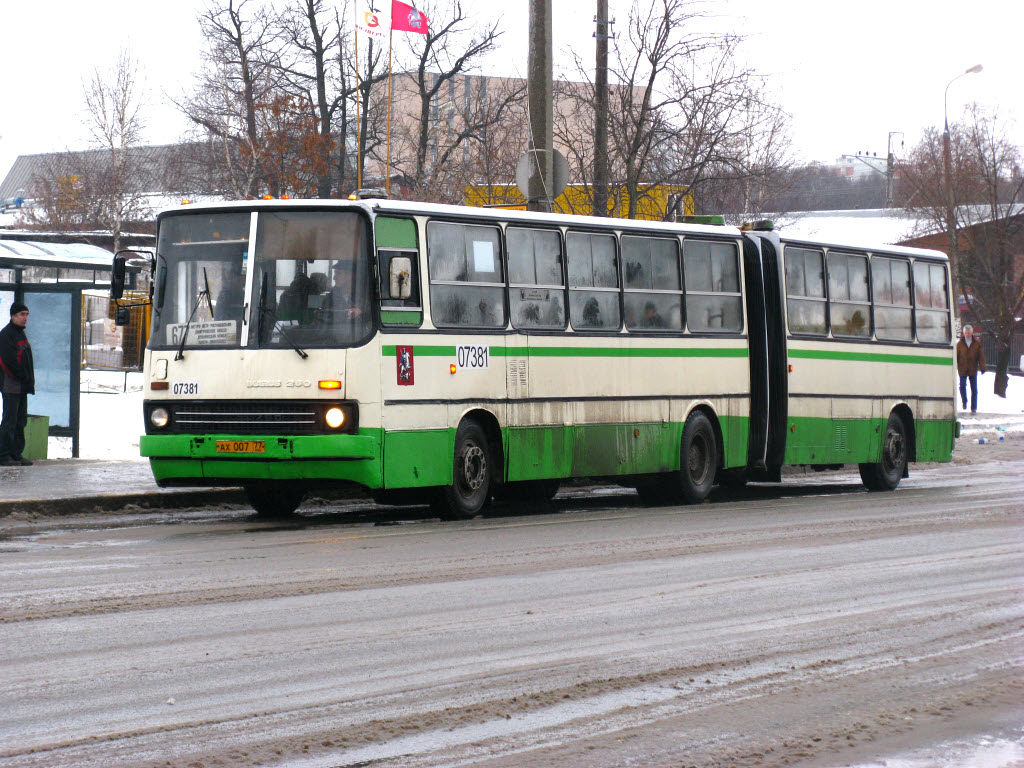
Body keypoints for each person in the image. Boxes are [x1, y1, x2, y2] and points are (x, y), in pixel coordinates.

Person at [0, 302, 35, 466]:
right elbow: (7, 361)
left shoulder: (21, 334)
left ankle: (16, 454)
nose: (25, 318)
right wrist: (22, 375)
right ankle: (4, 454)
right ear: (13, 316)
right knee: (9, 421)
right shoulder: (6, 335)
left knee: (21, 421)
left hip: (21, 386)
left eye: (26, 314)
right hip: (11, 385)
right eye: (22, 314)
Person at [956, 324, 985, 414]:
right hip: (962, 368)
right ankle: (964, 401)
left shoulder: (976, 343)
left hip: (973, 368)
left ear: (972, 333)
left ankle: (974, 407)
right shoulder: (960, 344)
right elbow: (956, 355)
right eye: (966, 333)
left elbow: (981, 356)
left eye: (969, 333)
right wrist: (954, 366)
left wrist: (982, 367)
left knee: (974, 389)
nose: (967, 335)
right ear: (964, 333)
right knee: (962, 386)